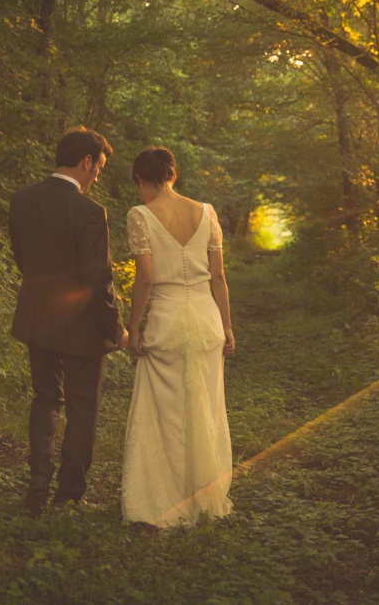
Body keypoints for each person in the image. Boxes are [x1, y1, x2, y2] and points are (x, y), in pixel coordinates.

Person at [9, 127, 128, 517]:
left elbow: (23, 260)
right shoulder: (90, 213)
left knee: (45, 400)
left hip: (37, 318)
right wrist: (116, 327)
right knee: (82, 409)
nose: (98, 177)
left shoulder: (23, 200)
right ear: (86, 162)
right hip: (81, 328)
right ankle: (69, 494)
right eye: (99, 168)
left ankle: (37, 489)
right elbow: (98, 281)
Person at [121, 145, 235, 527]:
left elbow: (147, 278)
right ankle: (205, 496)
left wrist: (134, 326)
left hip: (167, 321)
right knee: (205, 407)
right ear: (174, 175)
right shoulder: (207, 213)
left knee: (164, 412)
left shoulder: (140, 215)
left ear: (141, 180)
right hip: (206, 321)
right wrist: (228, 326)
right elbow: (218, 276)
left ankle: (165, 500)